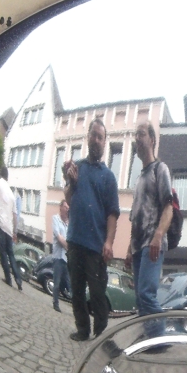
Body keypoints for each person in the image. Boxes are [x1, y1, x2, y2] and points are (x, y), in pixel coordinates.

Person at [62, 118, 119, 341]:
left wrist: (109, 242)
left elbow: (113, 214)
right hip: (75, 239)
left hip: (96, 246)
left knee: (97, 292)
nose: (96, 140)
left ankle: (101, 329)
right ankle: (82, 330)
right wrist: (71, 182)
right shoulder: (78, 168)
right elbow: (68, 198)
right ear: (87, 137)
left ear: (104, 142)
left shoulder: (109, 177)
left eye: (100, 137)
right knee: (76, 290)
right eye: (93, 135)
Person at [125, 122, 173, 332]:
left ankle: (162, 339)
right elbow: (135, 217)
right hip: (138, 245)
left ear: (152, 140)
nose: (137, 138)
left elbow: (168, 207)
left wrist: (158, 235)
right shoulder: (138, 179)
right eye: (135, 134)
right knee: (140, 299)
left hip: (152, 243)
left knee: (146, 294)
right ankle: (150, 340)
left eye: (141, 134)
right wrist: (129, 248)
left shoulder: (160, 169)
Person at [0, 166, 21, 290]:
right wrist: (14, 231)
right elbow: (15, 215)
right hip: (9, 227)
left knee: (2, 252)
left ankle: (8, 277)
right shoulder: (12, 194)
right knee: (10, 253)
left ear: (0, 174)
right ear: (7, 176)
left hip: (0, 222)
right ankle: (18, 279)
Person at [51, 199, 69, 312]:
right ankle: (55, 303)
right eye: (65, 207)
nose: (67, 210)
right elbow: (59, 237)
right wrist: (68, 246)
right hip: (58, 256)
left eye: (68, 208)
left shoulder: (70, 223)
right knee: (56, 282)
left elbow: (69, 239)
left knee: (69, 283)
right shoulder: (55, 219)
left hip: (67, 258)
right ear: (60, 207)